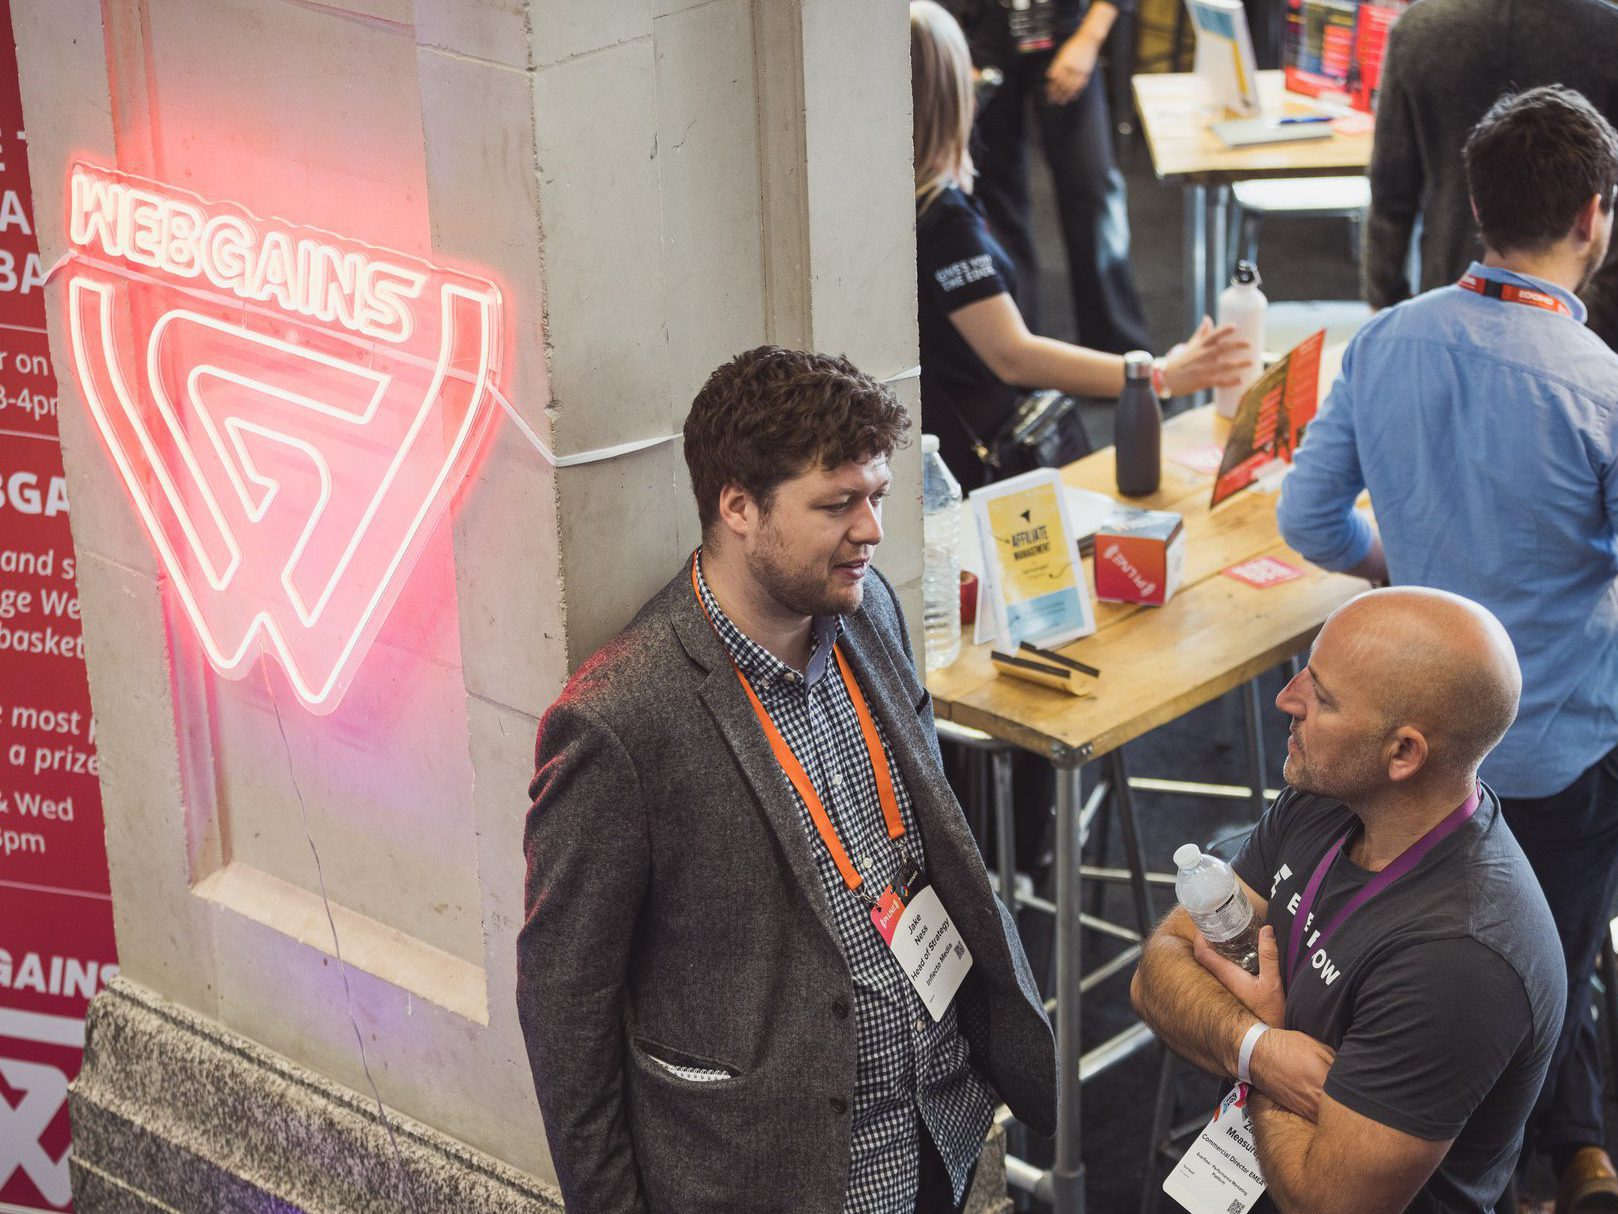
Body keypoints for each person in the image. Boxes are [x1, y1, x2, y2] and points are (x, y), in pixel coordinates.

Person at [515, 347, 1056, 1214]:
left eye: (876, 495)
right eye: (837, 504)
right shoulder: (620, 722)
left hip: (936, 1126)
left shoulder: (866, 606)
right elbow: (565, 1008)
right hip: (775, 1174)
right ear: (737, 505)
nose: (872, 530)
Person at [1279, 85, 1618, 1212]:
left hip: (1407, 757)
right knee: (1545, 967)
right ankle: (1544, 1157)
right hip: (1555, 742)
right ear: (1593, 215)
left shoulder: (1386, 338)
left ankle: (1554, 1141)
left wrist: (1396, 570)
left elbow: (1309, 523)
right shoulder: (1602, 390)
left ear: (1472, 204)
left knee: (1424, 963)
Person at [1132, 588, 1566, 1214]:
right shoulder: (1328, 793)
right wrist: (1265, 1051)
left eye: (1324, 698)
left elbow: (1327, 1201)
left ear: (1403, 753)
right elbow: (1157, 972)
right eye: (1306, 669)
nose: (1287, 698)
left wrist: (1257, 1039)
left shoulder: (1461, 959)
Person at [911, 0, 1248, 493]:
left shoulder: (912, 198)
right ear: (953, 90)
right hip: (980, 457)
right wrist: (1159, 375)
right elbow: (1014, 356)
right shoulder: (945, 219)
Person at [1362, 0, 1618, 350]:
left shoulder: (1418, 30)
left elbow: (1391, 188)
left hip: (1450, 290)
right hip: (1584, 308)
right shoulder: (1607, 32)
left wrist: (1387, 303)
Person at [942, 0, 1150, 353]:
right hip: (982, 36)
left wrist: (1090, 38)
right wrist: (954, 45)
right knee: (996, 199)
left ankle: (1118, 354)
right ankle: (1016, 355)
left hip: (1066, 30)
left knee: (1093, 188)